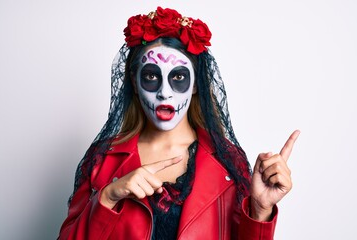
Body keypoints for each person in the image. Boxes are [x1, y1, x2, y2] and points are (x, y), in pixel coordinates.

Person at [58, 6, 300, 240]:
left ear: (196, 84)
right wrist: (108, 198)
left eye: (178, 77)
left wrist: (260, 211)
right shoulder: (103, 160)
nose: (165, 92)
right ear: (134, 81)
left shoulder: (227, 162)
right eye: (152, 76)